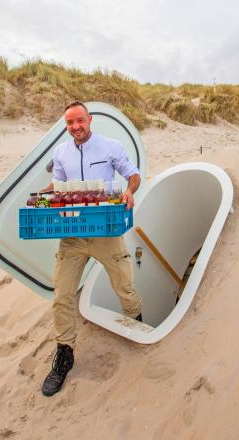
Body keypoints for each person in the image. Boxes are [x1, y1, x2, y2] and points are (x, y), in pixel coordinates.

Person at [41, 101, 142, 397]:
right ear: (66, 125)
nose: (76, 127)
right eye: (70, 123)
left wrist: (128, 190)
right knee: (62, 294)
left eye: (80, 121)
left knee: (124, 287)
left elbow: (133, 174)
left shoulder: (110, 146)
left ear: (90, 120)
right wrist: (39, 197)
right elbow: (57, 185)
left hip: (106, 230)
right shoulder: (61, 152)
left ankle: (137, 325)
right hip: (72, 233)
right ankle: (64, 355)